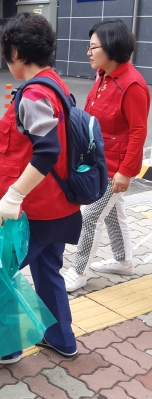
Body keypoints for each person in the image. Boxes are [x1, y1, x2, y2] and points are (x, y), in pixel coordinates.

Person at [0, 12, 82, 368]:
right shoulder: (54, 84)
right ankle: (61, 338)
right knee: (47, 271)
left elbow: (47, 150)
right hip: (59, 207)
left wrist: (14, 195)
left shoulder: (34, 94)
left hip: (34, 211)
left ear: (16, 53)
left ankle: (6, 347)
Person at [62, 19, 150, 292]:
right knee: (112, 213)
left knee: (90, 216)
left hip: (114, 168)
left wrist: (125, 172)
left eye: (93, 47)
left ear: (111, 47)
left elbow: (138, 132)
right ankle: (124, 261)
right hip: (98, 162)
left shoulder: (132, 85)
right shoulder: (102, 76)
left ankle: (79, 271)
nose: (88, 52)